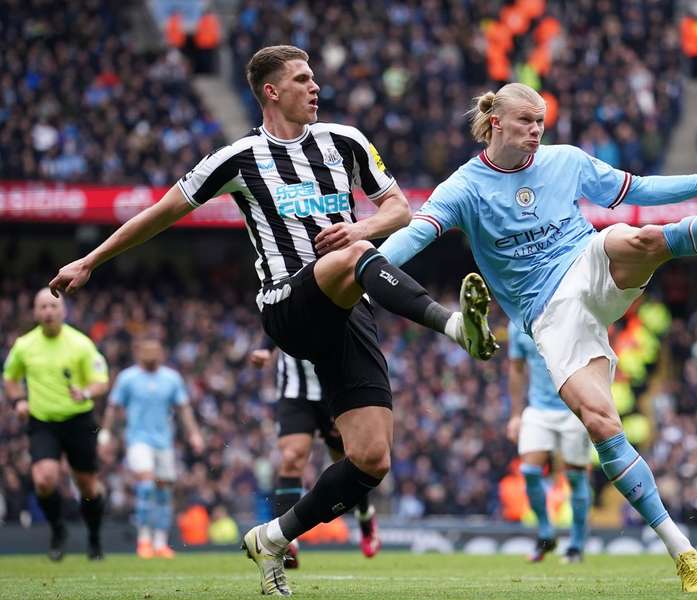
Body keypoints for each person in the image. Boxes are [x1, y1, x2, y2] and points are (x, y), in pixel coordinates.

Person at [49, 45, 495, 596]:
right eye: (302, 79)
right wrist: (89, 260)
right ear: (271, 91)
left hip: (347, 308)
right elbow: (160, 214)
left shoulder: (346, 142)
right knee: (351, 261)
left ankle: (272, 538)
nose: (315, 88)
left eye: (314, 78)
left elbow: (399, 208)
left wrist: (360, 229)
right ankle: (456, 328)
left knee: (371, 459)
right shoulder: (237, 158)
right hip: (287, 303)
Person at [353, 83, 697, 593]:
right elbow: (416, 233)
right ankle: (683, 552)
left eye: (541, 123)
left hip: (587, 261)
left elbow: (641, 191)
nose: (535, 131)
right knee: (602, 422)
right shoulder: (464, 187)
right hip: (547, 316)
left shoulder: (565, 160)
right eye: (526, 121)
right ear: (495, 121)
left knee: (642, 237)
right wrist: (365, 270)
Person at [249, 337, 381, 568]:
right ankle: (286, 542)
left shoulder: (339, 299)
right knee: (291, 457)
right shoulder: (289, 300)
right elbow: (277, 307)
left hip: (336, 388)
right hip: (295, 391)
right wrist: (265, 348)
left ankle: (365, 515)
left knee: (352, 462)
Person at [2, 288, 110, 561]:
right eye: (43, 307)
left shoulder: (81, 344)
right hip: (42, 422)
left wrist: (85, 392)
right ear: (35, 312)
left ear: (64, 311)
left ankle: (94, 538)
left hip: (78, 420)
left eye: (53, 306)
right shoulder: (24, 345)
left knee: (87, 485)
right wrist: (18, 402)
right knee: (44, 479)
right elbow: (10, 378)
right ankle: (57, 530)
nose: (48, 311)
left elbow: (101, 381)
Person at [99, 337, 204, 558]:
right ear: (138, 352)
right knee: (146, 486)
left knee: (164, 492)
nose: (151, 354)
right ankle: (144, 540)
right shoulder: (128, 378)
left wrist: (194, 434)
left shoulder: (171, 378)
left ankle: (160, 542)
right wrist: (106, 433)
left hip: (164, 444)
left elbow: (183, 408)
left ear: (162, 352)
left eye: (155, 350)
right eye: (146, 350)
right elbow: (113, 407)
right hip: (138, 441)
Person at [506, 321, 592, 564]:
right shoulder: (518, 324)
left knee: (575, 476)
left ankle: (576, 545)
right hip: (538, 409)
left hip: (574, 408)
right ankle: (546, 534)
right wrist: (515, 415)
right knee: (530, 471)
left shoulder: (568, 314)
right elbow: (516, 369)